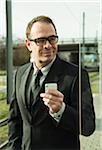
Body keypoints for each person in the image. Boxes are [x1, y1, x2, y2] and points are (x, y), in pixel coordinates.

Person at [8, 15, 95, 150]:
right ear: (28, 44)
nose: (48, 45)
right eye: (41, 40)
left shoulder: (76, 76)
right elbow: (15, 120)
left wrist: (61, 110)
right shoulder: (20, 73)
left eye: (52, 39)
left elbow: (88, 126)